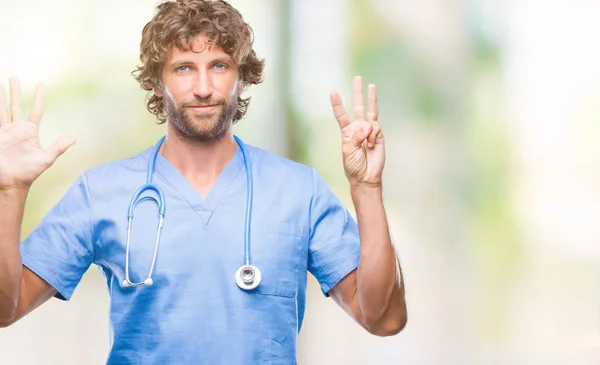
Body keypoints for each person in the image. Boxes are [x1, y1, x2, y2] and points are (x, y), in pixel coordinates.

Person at [0, 0, 407, 363]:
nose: (203, 87)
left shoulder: (300, 191)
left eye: (219, 65)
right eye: (183, 68)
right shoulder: (101, 193)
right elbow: (6, 308)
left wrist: (367, 190)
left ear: (241, 77)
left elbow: (384, 319)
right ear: (157, 84)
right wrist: (10, 192)